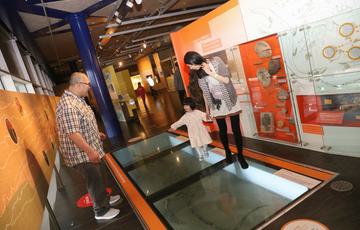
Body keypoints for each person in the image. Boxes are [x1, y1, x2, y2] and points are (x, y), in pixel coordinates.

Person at [56, 72, 121, 220]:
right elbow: (73, 133)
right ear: (78, 84)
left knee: (100, 176)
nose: (89, 88)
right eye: (87, 85)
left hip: (91, 148)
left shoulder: (77, 100)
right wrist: (90, 151)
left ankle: (105, 198)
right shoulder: (68, 105)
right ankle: (101, 211)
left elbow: (80, 124)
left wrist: (96, 134)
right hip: (82, 155)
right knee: (94, 181)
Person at [184, 51, 249, 169]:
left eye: (189, 65)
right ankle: (228, 153)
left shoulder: (217, 62)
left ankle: (240, 155)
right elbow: (205, 92)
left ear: (194, 61)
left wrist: (211, 73)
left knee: (236, 129)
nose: (190, 68)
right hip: (217, 104)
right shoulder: (198, 73)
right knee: (222, 130)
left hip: (230, 100)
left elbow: (226, 80)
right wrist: (208, 110)